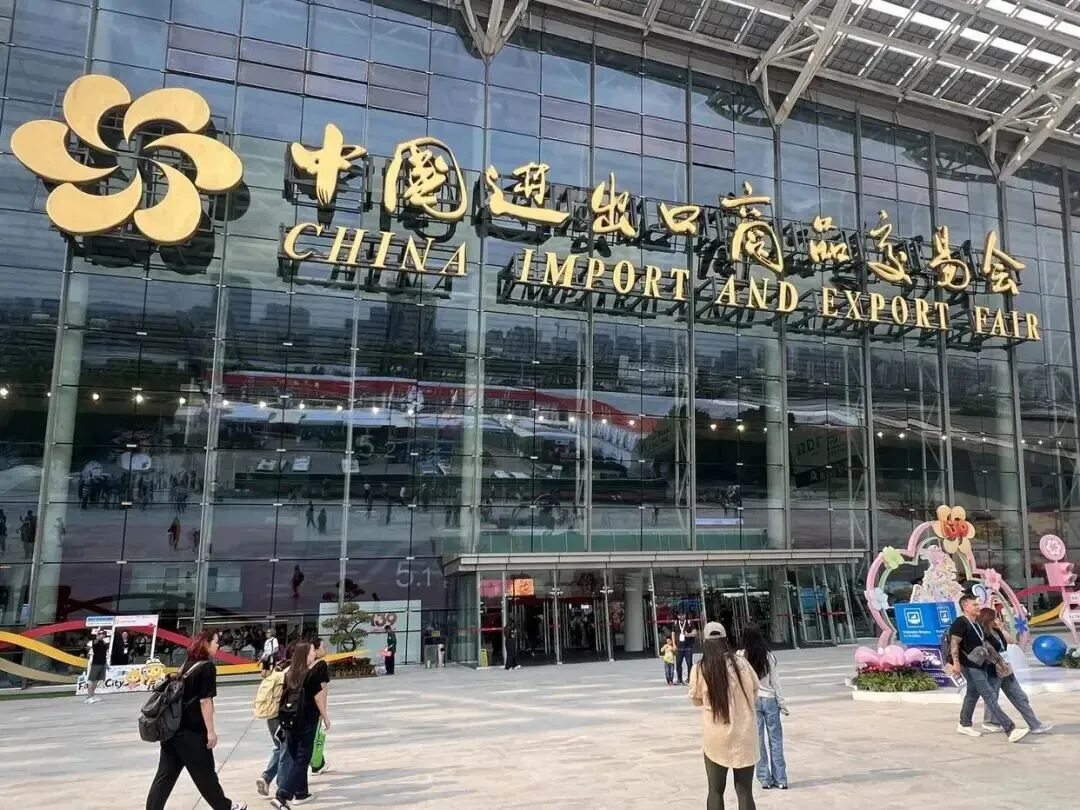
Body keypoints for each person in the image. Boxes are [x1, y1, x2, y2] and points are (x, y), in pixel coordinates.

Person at [145, 629, 247, 810]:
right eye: (216, 642)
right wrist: (211, 731)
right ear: (206, 644)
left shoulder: (186, 665)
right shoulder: (207, 667)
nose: (218, 645)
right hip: (192, 732)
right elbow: (205, 701)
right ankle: (225, 807)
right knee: (205, 774)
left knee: (165, 775)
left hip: (173, 730)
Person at [689, 621, 759, 810]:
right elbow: (755, 691)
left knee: (715, 790)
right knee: (745, 792)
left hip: (716, 736)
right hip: (744, 734)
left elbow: (696, 700)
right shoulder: (742, 663)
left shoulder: (700, 668)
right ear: (725, 640)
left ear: (705, 642)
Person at [949, 594, 1029, 742]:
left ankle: (964, 724)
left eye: (977, 604)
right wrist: (956, 663)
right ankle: (1010, 729)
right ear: (965, 607)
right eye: (974, 605)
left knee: (972, 694)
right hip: (970, 666)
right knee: (989, 695)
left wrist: (999, 661)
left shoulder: (977, 624)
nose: (978, 607)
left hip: (980, 665)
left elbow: (988, 644)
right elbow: (954, 644)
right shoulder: (961, 622)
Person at [272, 642, 331, 809]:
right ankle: (283, 795)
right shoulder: (311, 674)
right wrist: (325, 717)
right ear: (304, 654)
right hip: (307, 720)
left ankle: (301, 792)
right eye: (311, 651)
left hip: (289, 721)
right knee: (303, 758)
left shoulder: (289, 674)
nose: (314, 654)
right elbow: (318, 698)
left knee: (296, 758)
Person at [976, 607, 1053, 735]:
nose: (997, 619)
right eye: (994, 617)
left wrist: (1001, 628)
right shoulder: (981, 634)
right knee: (992, 698)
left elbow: (1012, 641)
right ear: (988, 619)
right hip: (992, 670)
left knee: (1019, 696)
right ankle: (990, 722)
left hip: (1005, 668)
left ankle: (1034, 724)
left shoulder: (996, 631)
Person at [740, 624, 788, 790]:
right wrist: (782, 703)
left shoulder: (741, 656)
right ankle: (781, 779)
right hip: (770, 700)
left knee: (758, 741)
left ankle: (764, 779)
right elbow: (776, 682)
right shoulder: (769, 656)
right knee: (776, 740)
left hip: (752, 701)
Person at [256, 653, 289, 798]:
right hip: (282, 717)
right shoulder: (287, 676)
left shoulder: (275, 675)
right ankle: (282, 786)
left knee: (280, 747)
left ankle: (266, 778)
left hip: (271, 716)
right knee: (286, 750)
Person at [309, 639, 331, 776]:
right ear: (315, 650)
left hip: (303, 706)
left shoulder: (306, 665)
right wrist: (324, 712)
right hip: (315, 707)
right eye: (323, 646)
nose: (325, 648)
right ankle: (316, 764)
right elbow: (322, 690)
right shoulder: (321, 665)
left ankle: (319, 762)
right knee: (315, 737)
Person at [674, 610, 698, 684]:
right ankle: (679, 679)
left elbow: (695, 632)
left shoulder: (689, 622)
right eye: (680, 615)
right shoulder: (675, 623)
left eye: (683, 614)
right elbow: (672, 633)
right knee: (678, 663)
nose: (681, 616)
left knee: (689, 663)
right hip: (679, 647)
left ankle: (690, 678)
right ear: (677, 616)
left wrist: (688, 634)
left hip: (688, 646)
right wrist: (674, 644)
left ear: (685, 615)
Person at [85, 629, 109, 704]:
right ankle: (89, 697)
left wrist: (106, 664)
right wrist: (98, 637)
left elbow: (104, 654)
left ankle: (92, 695)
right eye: (102, 634)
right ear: (98, 635)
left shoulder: (104, 643)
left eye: (104, 634)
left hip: (102, 663)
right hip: (96, 664)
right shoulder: (95, 642)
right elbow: (94, 643)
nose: (103, 635)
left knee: (97, 680)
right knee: (92, 680)